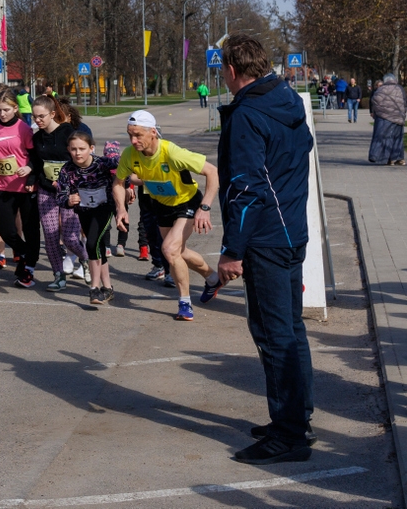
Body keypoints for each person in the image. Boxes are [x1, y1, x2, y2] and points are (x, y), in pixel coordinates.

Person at [214, 33, 315, 464]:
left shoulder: (248, 113)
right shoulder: (287, 99)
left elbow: (247, 189)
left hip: (269, 239)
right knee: (290, 331)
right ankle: (295, 417)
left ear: (232, 70)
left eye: (221, 68)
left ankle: (290, 434)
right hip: (291, 232)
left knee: (275, 336)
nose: (221, 75)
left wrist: (232, 250)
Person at [112, 109, 219, 321]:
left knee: (169, 250)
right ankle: (213, 278)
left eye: (138, 135)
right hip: (161, 204)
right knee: (179, 252)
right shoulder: (129, 154)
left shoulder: (171, 152)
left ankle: (185, 303)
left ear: (153, 132)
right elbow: (118, 182)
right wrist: (121, 209)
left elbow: (212, 172)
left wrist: (204, 208)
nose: (133, 140)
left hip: (187, 202)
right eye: (130, 135)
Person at [0, 92, 41, 287]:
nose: (2, 114)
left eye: (6, 110)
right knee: (6, 231)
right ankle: (25, 253)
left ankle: (29, 267)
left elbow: (35, 155)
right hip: (2, 186)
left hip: (25, 185)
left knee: (30, 229)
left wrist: (30, 171)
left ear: (15, 108)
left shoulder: (23, 128)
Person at [30, 95, 87, 291]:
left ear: (53, 114)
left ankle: (87, 260)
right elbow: (37, 165)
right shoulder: (37, 138)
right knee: (51, 235)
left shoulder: (68, 133)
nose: (37, 120)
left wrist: (67, 183)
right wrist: (39, 181)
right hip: (47, 190)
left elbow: (79, 161)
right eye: (34, 117)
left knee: (70, 237)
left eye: (41, 116)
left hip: (70, 191)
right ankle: (58, 275)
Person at [55, 131, 119, 305]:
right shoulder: (67, 169)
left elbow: (122, 168)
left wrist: (127, 188)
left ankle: (94, 289)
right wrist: (68, 200)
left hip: (104, 208)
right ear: (68, 149)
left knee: (92, 244)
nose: (78, 153)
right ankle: (108, 288)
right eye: (74, 149)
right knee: (98, 247)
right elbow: (60, 196)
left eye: (82, 149)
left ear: (91, 148)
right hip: (84, 211)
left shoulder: (102, 164)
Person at [368, 73, 407, 166]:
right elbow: (404, 102)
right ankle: (398, 158)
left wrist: (380, 111)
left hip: (385, 117)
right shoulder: (400, 89)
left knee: (383, 137)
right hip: (398, 117)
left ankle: (381, 157)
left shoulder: (382, 89)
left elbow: (375, 100)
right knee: (397, 138)